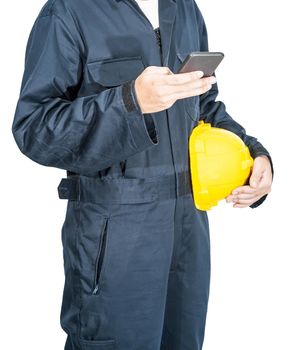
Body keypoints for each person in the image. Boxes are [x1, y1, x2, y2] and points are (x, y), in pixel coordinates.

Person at [12, 0, 274, 349]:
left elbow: (205, 105)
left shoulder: (183, 8)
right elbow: (35, 129)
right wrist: (128, 102)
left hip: (188, 229)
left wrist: (254, 153)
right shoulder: (68, 11)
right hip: (114, 234)